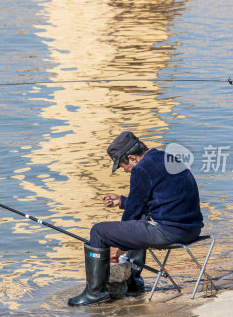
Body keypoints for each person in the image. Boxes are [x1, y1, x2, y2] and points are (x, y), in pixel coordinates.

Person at [68, 131, 204, 306]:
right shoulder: (167, 157)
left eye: (122, 166)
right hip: (191, 229)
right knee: (140, 222)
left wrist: (120, 245)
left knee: (99, 231)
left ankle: (95, 293)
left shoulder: (141, 168)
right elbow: (158, 200)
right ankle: (134, 282)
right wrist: (122, 201)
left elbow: (134, 211)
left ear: (132, 158)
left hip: (170, 232)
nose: (124, 170)